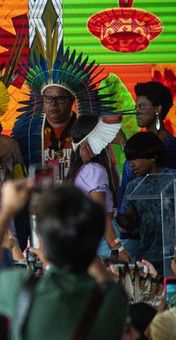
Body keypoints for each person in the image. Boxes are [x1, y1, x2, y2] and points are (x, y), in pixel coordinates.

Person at [0, 181, 128, 339]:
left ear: (42, 242)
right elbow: (104, 279)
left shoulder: (22, 289)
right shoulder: (114, 298)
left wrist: (6, 212)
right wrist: (82, 235)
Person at [13, 23, 116, 182]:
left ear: (72, 100)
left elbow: (108, 169)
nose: (53, 103)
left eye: (60, 98)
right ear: (42, 101)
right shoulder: (27, 133)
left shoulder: (89, 131)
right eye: (48, 98)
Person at [116, 81, 175, 252]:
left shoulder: (171, 146)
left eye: (141, 107)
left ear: (157, 109)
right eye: (135, 106)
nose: (136, 111)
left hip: (158, 237)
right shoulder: (137, 143)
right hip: (130, 233)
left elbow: (158, 187)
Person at [65, 115, 127, 261]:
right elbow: (100, 214)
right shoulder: (94, 170)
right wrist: (118, 247)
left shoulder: (80, 170)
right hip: (102, 239)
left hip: (87, 238)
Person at [116, 132, 176, 273]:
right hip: (147, 258)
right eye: (129, 159)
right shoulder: (133, 186)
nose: (131, 164)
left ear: (153, 156)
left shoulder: (173, 179)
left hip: (173, 258)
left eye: (135, 158)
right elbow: (131, 222)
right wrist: (117, 217)